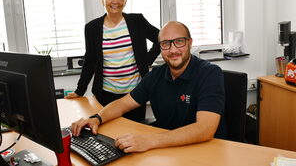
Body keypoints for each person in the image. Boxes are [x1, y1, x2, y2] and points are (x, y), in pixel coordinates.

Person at [71, 21, 227, 153]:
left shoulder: (210, 73)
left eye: (179, 41)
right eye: (166, 44)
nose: (173, 50)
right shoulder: (156, 75)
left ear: (190, 42)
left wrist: (150, 141)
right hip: (169, 149)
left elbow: (205, 129)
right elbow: (123, 104)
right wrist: (96, 118)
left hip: (205, 150)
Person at [65, 0, 160, 122]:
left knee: (133, 133)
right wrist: (79, 90)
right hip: (106, 95)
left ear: (125, 2)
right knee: (108, 135)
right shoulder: (92, 28)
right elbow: (90, 61)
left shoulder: (137, 21)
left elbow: (160, 39)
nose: (115, 1)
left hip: (135, 93)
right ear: (103, 1)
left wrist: (147, 60)